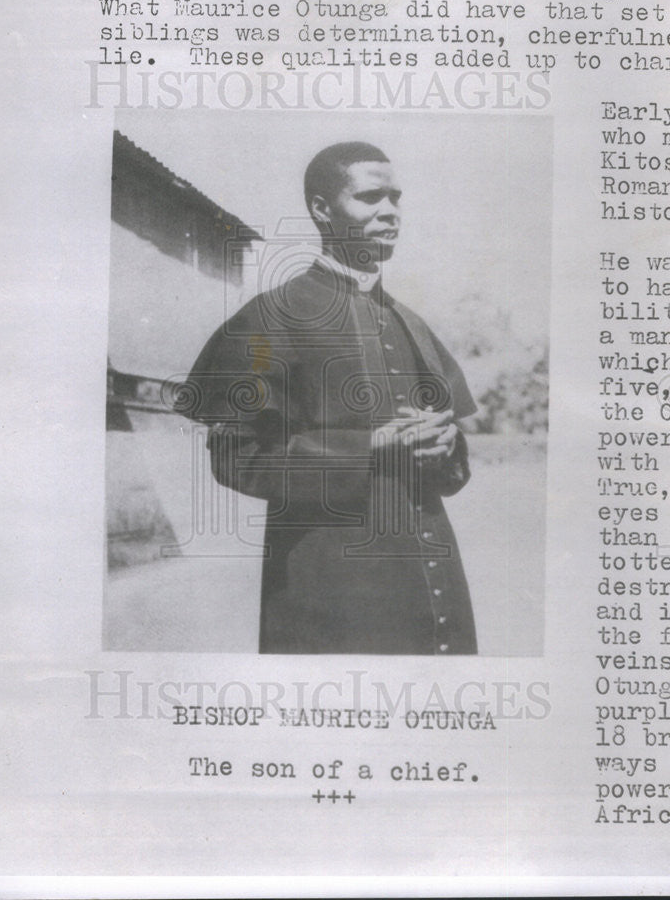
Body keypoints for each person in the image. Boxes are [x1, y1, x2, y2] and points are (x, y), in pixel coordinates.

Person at [178, 142, 477, 655]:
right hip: (332, 597)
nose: (390, 212)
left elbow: (453, 456)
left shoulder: (412, 323)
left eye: (396, 198)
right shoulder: (271, 318)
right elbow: (237, 459)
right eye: (370, 198)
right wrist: (369, 446)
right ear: (322, 209)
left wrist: (447, 445)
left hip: (434, 587)